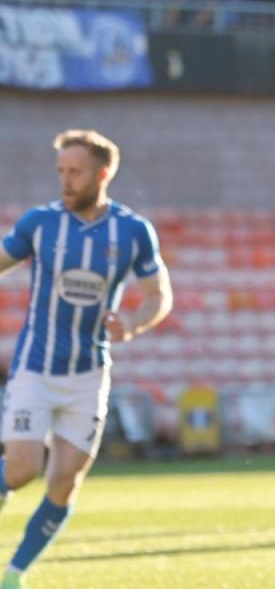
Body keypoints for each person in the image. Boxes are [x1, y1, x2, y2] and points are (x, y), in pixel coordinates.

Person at [0, 130, 173, 588]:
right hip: (34, 370)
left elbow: (159, 296)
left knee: (63, 482)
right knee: (20, 470)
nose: (65, 181)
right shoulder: (40, 223)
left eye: (74, 172)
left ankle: (13, 575)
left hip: (89, 376)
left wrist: (132, 324)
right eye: (60, 171)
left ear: (102, 174)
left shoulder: (133, 231)